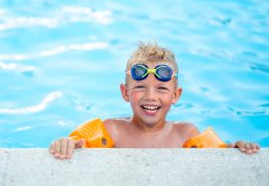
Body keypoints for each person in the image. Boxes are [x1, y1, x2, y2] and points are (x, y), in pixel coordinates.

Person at [49, 42, 260, 159]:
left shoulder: (185, 134)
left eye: (161, 88)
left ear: (175, 95)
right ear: (125, 92)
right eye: (140, 87)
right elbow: (79, 145)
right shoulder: (112, 130)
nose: (151, 96)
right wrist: (67, 143)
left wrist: (236, 149)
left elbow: (220, 159)